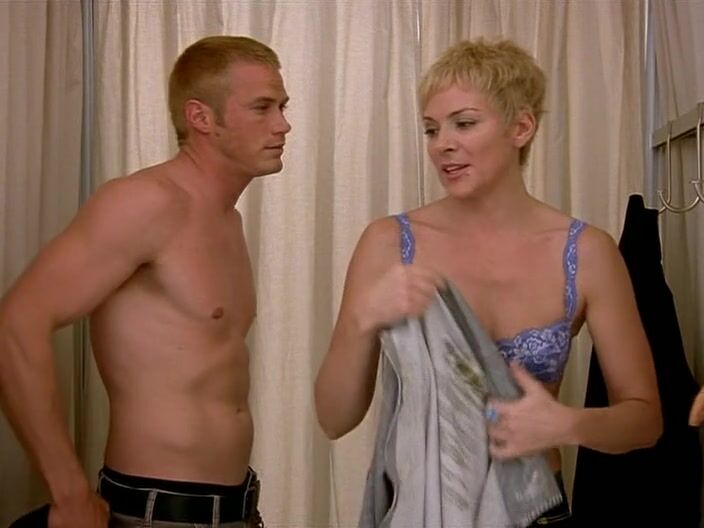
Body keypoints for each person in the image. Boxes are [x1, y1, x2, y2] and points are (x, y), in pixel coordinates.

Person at [314, 38, 662, 526]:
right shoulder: (388, 243)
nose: (442, 144)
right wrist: (361, 319)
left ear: (521, 127)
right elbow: (333, 419)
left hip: (536, 514)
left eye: (464, 123)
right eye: (431, 129)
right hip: (420, 514)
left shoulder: (586, 252)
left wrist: (566, 423)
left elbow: (645, 420)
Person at [0, 35, 291, 528]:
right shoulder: (146, 203)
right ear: (201, 117)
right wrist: (69, 492)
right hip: (155, 510)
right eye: (262, 107)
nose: (283, 124)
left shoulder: (226, 219)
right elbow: (16, 323)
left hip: (234, 509)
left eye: (282, 107)